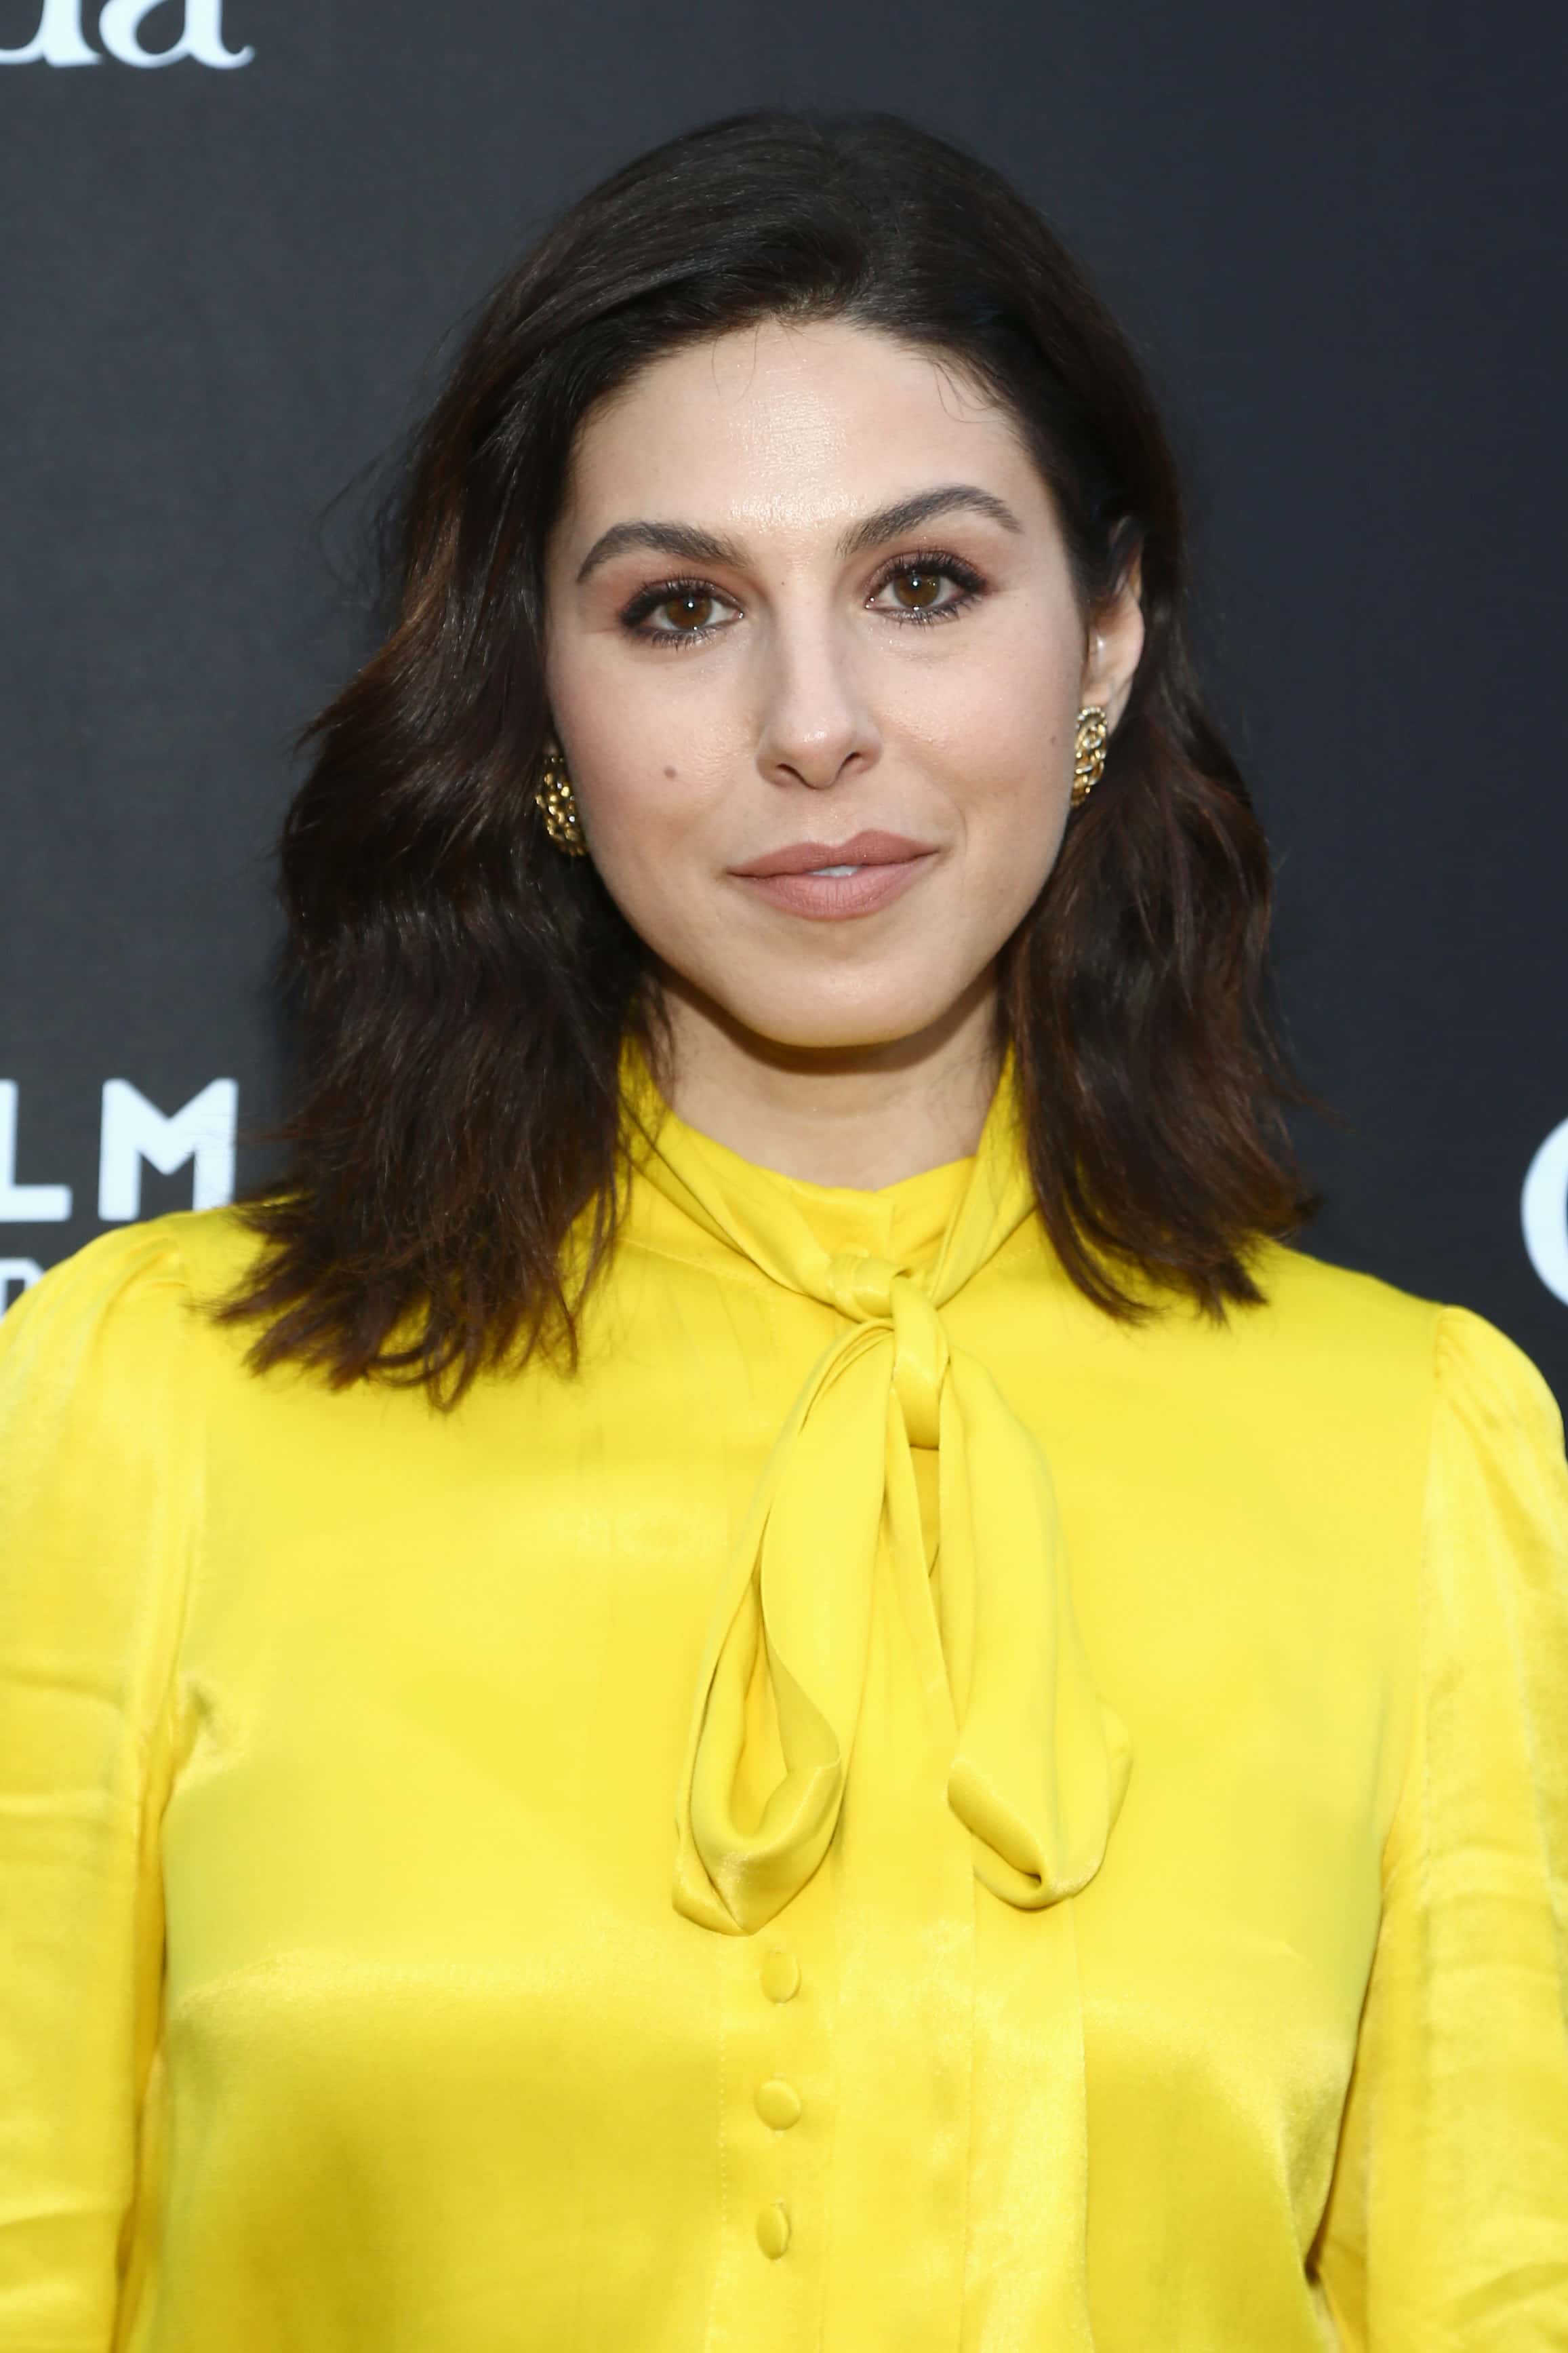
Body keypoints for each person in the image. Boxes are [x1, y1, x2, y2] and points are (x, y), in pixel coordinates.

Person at [1, 107, 1564, 2353]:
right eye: (680, 609)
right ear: (537, 694)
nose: (811, 727)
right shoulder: (150, 1400)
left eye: (922, 586)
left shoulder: (1411, 1449)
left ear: (1106, 637)